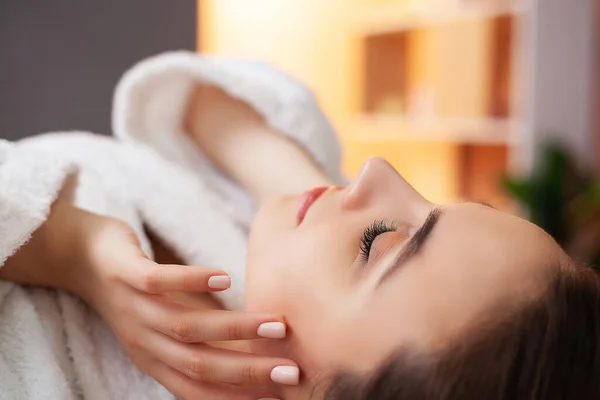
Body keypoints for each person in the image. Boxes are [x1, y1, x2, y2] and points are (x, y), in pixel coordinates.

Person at [0, 52, 598, 400]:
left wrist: (71, 248)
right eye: (433, 202)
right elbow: (198, 99)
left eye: (378, 242)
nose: (376, 170)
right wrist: (307, 197)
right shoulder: (285, 238)